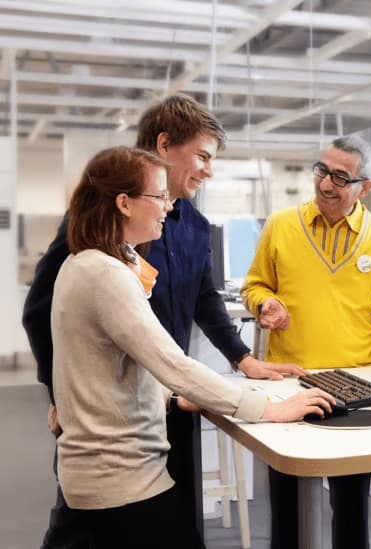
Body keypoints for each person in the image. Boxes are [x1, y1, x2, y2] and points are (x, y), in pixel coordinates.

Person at [22, 94, 302, 548]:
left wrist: (241, 359)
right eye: (203, 156)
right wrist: (65, 398)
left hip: (166, 400)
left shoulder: (189, 224)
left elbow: (203, 300)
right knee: (101, 520)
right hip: (111, 421)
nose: (208, 171)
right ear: (165, 145)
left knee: (158, 517)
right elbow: (42, 312)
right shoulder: (99, 244)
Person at [241, 134, 371, 549]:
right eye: (322, 171)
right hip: (289, 381)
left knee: (350, 504)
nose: (326, 184)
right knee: (287, 504)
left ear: (365, 187)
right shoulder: (281, 226)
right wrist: (265, 304)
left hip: (354, 386)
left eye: (340, 177)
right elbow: (254, 286)